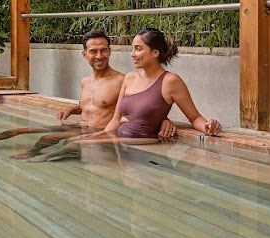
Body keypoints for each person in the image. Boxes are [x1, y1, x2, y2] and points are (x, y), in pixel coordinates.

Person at [0, 30, 173, 158]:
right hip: (78, 125)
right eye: (93, 51)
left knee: (47, 138)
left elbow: (138, 104)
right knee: (15, 129)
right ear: (84, 54)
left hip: (97, 132)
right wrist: (74, 108)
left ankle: (31, 156)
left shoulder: (121, 80)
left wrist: (164, 118)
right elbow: (92, 104)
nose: (100, 55)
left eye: (104, 50)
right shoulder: (86, 81)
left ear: (110, 52)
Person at [31, 27, 221, 161]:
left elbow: (194, 117)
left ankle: (39, 163)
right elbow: (115, 119)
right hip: (119, 137)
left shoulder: (171, 81)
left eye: (138, 49)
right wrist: (98, 137)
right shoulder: (130, 78)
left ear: (155, 53)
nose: (132, 54)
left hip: (142, 141)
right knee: (73, 142)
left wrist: (207, 125)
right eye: (133, 48)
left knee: (72, 145)